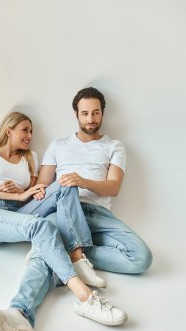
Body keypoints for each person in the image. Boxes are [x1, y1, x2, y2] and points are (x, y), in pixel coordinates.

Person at [0, 111, 127, 331]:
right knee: (39, 226)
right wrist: (18, 193)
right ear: (9, 130)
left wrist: (25, 193)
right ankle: (85, 297)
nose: (30, 136)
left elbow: (36, 193)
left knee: (65, 184)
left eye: (31, 131)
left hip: (19, 212)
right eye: (25, 130)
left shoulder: (31, 157)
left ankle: (72, 258)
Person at [34, 87, 153, 276]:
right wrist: (32, 191)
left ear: (103, 113)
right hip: (64, 210)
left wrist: (83, 181)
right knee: (43, 240)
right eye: (85, 113)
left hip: (99, 214)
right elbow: (42, 186)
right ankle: (72, 250)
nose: (90, 119)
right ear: (76, 115)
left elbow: (114, 187)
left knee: (142, 258)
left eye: (95, 113)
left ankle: (71, 250)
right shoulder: (58, 146)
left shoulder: (114, 146)